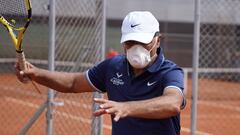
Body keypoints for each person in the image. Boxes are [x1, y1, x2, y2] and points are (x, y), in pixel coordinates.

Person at [16, 11, 186, 135]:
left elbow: (172, 103)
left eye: (142, 42)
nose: (136, 48)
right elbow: (73, 83)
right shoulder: (113, 67)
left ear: (157, 40)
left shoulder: (170, 72)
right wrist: (35, 73)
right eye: (130, 42)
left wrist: (126, 108)